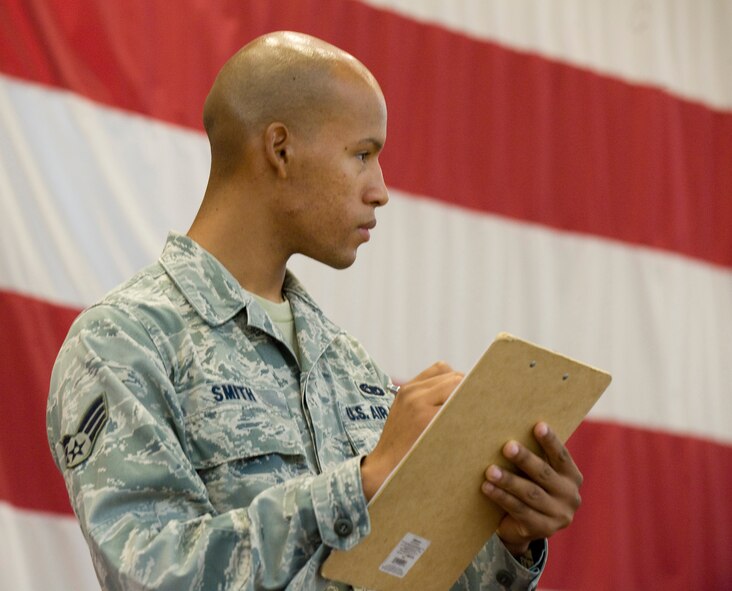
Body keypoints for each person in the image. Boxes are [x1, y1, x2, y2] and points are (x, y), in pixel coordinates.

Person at [47, 31, 583, 590]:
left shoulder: (347, 365)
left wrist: (509, 538)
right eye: (362, 154)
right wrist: (359, 484)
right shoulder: (123, 341)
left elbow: (398, 575)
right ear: (281, 150)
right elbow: (151, 574)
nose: (380, 190)